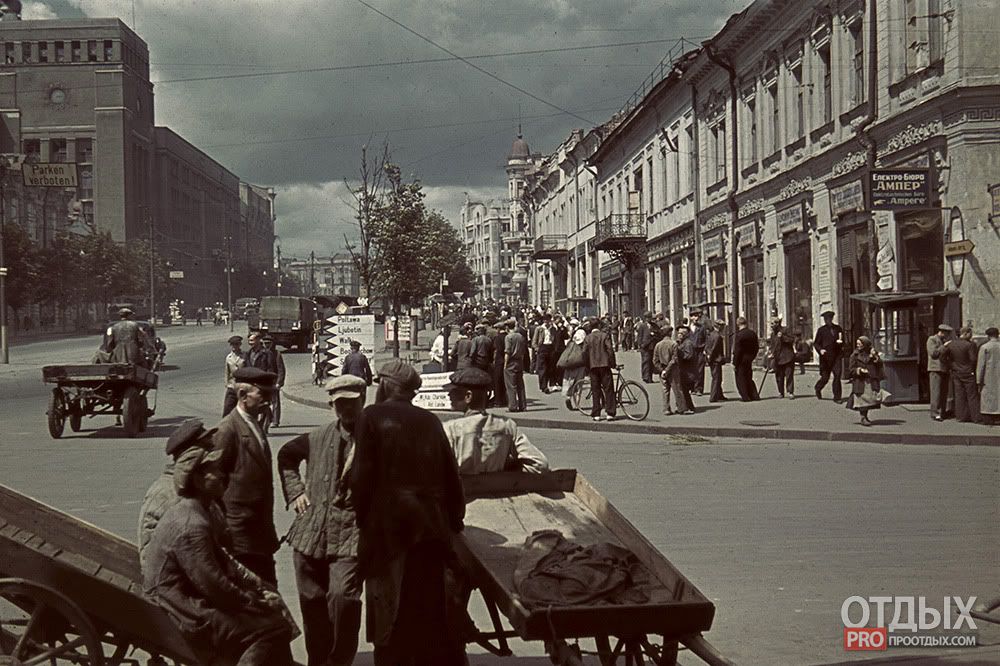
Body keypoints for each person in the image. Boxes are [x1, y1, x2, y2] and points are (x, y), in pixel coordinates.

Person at [350, 360, 467, 665]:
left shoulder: (370, 417)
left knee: (387, 615)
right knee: (425, 612)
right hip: (429, 533)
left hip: (387, 535)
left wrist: (363, 522)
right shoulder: (430, 420)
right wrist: (454, 521)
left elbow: (361, 476)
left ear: (387, 385)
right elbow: (450, 476)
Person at [143, 441, 295, 666]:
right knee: (272, 628)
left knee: (269, 610)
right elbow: (213, 584)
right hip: (182, 607)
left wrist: (256, 589)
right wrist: (252, 601)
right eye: (214, 471)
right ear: (197, 480)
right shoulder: (191, 525)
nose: (222, 474)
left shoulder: (196, 510)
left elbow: (220, 564)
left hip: (184, 597)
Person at [278, 375, 367, 666]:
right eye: (340, 404)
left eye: (352, 403)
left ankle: (339, 660)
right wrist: (296, 493)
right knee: (312, 602)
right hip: (310, 534)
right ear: (332, 405)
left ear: (363, 400)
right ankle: (319, 660)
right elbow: (287, 456)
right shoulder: (317, 437)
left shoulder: (377, 438)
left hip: (352, 534)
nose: (346, 410)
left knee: (343, 598)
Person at [213, 367, 282, 584]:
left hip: (259, 533)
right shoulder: (227, 430)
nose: (268, 401)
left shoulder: (254, 424)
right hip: (239, 536)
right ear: (243, 396)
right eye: (263, 395)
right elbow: (214, 483)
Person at [138, 419, 220, 569]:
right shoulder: (163, 494)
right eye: (207, 447)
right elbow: (149, 555)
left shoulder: (199, 488)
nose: (212, 450)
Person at [442, 367, 549, 474]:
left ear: (468, 396)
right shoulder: (507, 426)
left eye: (454, 391)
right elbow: (539, 464)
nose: (449, 395)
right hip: (497, 488)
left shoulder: (451, 429)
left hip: (463, 489)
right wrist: (507, 468)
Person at [942, 327, 980, 424]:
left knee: (959, 395)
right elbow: (973, 359)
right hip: (968, 372)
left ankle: (960, 416)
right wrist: (972, 369)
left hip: (956, 372)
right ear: (966, 333)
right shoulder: (970, 345)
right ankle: (975, 417)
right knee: (972, 395)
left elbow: (942, 356)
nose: (971, 335)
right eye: (970, 333)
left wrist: (950, 365)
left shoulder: (951, 344)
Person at [582, 317, 617, 422]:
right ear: (599, 326)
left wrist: (587, 365)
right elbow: (610, 350)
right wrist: (612, 363)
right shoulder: (604, 336)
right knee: (608, 389)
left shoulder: (588, 338)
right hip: (605, 365)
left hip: (593, 367)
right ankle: (610, 413)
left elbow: (584, 353)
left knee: (595, 390)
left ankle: (596, 413)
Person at [847, 336, 884, 426]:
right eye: (857, 344)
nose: (858, 346)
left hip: (870, 380)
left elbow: (880, 364)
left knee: (869, 400)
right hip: (860, 381)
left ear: (865, 344)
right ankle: (863, 418)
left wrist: (875, 357)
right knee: (861, 400)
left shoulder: (872, 353)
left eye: (860, 344)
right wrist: (859, 370)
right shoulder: (854, 355)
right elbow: (851, 369)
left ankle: (865, 416)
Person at [813, 310, 845, 401]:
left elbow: (843, 340)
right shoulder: (821, 330)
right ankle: (818, 388)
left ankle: (837, 397)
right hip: (825, 358)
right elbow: (816, 343)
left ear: (832, 319)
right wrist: (820, 350)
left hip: (836, 356)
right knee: (825, 378)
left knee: (837, 376)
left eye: (829, 319)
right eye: (826, 319)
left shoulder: (838, 328)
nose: (828, 320)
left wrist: (841, 343)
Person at [927, 324, 953, 421]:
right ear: (941, 332)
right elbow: (933, 353)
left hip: (944, 369)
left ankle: (943, 411)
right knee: (936, 391)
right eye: (947, 333)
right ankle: (935, 413)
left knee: (944, 392)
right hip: (935, 369)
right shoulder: (932, 340)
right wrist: (944, 346)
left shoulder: (944, 341)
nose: (947, 336)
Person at [652, 324, 679, 415]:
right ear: (670, 333)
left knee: (665, 390)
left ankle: (666, 409)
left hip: (662, 370)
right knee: (676, 389)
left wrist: (662, 370)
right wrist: (668, 369)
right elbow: (674, 359)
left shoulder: (658, 345)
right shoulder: (674, 344)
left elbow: (655, 360)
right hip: (672, 370)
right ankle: (679, 407)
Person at [732, 317, 760, 402]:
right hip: (749, 358)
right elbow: (756, 347)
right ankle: (754, 395)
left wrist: (734, 363)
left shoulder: (739, 335)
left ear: (738, 324)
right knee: (748, 377)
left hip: (741, 360)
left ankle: (745, 396)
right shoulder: (752, 333)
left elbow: (738, 350)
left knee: (741, 378)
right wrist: (752, 356)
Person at [767, 318, 796, 398]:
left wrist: (782, 337)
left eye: (772, 324)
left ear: (777, 324)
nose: (771, 326)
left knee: (789, 375)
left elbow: (792, 340)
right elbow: (773, 345)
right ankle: (781, 392)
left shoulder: (786, 330)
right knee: (779, 376)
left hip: (787, 357)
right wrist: (771, 353)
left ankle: (790, 392)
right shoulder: (773, 334)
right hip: (778, 358)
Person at [977, 327, 1000, 426]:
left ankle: (989, 418)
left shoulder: (985, 347)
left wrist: (978, 380)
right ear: (997, 335)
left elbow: (981, 365)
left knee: (987, 397)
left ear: (988, 336)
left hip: (988, 375)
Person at [504, 318, 528, 412]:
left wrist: (505, 364)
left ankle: (513, 406)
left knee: (511, 385)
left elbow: (507, 352)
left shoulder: (508, 337)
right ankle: (523, 405)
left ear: (507, 327)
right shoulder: (520, 336)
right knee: (520, 385)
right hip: (519, 361)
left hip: (511, 362)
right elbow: (523, 351)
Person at [262, 336, 286, 427]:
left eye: (268, 343)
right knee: (263, 402)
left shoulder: (276, 354)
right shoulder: (262, 353)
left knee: (275, 401)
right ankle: (267, 419)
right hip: (263, 381)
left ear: (272, 344)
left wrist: (279, 382)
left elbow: (281, 369)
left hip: (273, 381)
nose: (267, 345)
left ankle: (275, 421)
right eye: (265, 343)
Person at [674, 327, 698, 414]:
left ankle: (688, 407)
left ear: (685, 335)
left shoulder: (688, 343)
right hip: (684, 370)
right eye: (678, 333)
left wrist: (679, 354)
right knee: (684, 390)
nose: (678, 335)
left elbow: (688, 356)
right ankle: (688, 406)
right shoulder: (682, 343)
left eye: (681, 333)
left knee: (684, 390)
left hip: (688, 371)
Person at [531, 314, 555, 393]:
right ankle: (543, 386)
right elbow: (534, 341)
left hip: (550, 348)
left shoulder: (553, 329)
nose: (547, 322)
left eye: (548, 320)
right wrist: (537, 348)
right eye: (545, 320)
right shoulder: (540, 329)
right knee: (542, 368)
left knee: (549, 368)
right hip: (542, 348)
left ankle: (547, 384)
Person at [223, 335, 245, 417]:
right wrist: (227, 384)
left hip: (242, 386)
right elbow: (227, 372)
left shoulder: (244, 356)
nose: (234, 347)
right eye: (232, 345)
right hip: (232, 386)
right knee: (227, 408)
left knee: (243, 409)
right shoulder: (228, 357)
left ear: (239, 345)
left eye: (236, 344)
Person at [706, 320, 727, 402]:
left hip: (713, 359)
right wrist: (711, 358)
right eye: (723, 326)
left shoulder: (711, 335)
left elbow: (707, 347)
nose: (723, 328)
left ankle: (719, 395)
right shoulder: (717, 336)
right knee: (716, 378)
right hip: (716, 359)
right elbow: (714, 349)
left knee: (717, 377)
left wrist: (708, 357)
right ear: (719, 326)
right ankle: (713, 397)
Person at [689, 310, 707, 395]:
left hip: (699, 351)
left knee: (700, 370)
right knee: (691, 369)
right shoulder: (688, 328)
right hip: (691, 352)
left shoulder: (702, 328)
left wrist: (705, 350)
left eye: (697, 316)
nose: (696, 318)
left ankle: (699, 389)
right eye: (694, 316)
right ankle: (692, 388)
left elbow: (706, 339)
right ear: (690, 317)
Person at [490, 320, 508, 408]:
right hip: (507, 361)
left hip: (499, 361)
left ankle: (498, 400)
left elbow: (498, 350)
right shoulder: (507, 336)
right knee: (504, 381)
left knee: (497, 381)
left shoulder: (498, 338)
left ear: (498, 329)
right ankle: (504, 399)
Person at [635, 312, 653, 383]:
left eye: (650, 317)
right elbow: (639, 336)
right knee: (645, 361)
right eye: (648, 317)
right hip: (645, 346)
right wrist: (640, 345)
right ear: (645, 318)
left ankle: (650, 377)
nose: (649, 319)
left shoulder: (653, 325)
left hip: (652, 346)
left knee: (651, 362)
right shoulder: (642, 326)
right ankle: (645, 377)